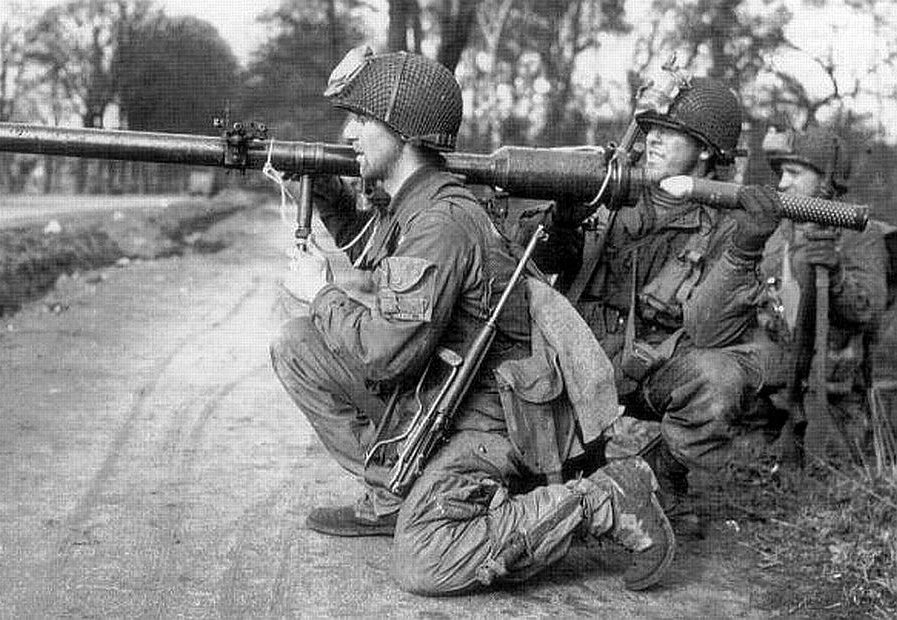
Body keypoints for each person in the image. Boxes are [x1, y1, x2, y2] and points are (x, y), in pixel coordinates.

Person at [269, 46, 675, 595]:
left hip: (488, 422)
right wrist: (320, 194)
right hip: (444, 394)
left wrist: (321, 291)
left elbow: (387, 356)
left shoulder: (441, 222)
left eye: (362, 119)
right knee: (298, 345)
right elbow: (380, 264)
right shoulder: (416, 204)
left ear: (403, 131)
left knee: (425, 561)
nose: (348, 133)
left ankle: (605, 498)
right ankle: (399, 494)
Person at [533, 76, 783, 536]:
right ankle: (583, 469)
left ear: (706, 149)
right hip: (573, 360)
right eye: (650, 128)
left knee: (720, 378)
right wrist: (563, 220)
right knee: (544, 496)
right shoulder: (607, 188)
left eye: (671, 130)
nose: (654, 138)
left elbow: (708, 330)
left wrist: (746, 249)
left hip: (654, 369)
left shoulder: (729, 224)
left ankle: (659, 477)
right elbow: (536, 261)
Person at [752, 126, 888, 456]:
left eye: (794, 173)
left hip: (833, 398)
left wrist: (836, 274)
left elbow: (868, 311)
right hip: (770, 390)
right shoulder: (774, 235)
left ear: (826, 182)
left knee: (828, 472)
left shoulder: (859, 233)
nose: (783, 183)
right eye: (781, 173)